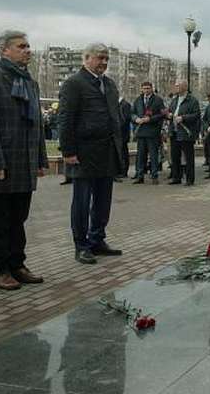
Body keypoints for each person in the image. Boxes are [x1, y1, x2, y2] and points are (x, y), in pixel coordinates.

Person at [0, 30, 49, 291]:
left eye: (28, 46)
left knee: (19, 217)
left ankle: (18, 264)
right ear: (4, 50)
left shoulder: (30, 82)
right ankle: (1, 269)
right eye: (22, 46)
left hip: (24, 163)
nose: (28, 50)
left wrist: (40, 159)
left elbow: (36, 125)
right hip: (2, 163)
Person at [59, 43, 125, 265]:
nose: (104, 63)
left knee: (103, 202)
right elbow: (66, 119)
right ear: (86, 58)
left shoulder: (109, 84)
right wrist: (68, 151)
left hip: (107, 152)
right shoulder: (74, 84)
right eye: (100, 58)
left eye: (106, 59)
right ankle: (82, 246)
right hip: (84, 154)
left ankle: (97, 240)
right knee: (82, 202)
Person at [166, 80, 200, 186]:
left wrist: (183, 118)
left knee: (188, 157)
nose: (175, 88)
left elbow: (196, 115)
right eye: (175, 86)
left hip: (186, 132)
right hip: (174, 132)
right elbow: (170, 111)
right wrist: (169, 115)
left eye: (178, 86)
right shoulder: (174, 100)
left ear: (185, 87)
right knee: (175, 156)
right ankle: (176, 177)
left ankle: (190, 179)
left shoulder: (192, 100)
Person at [131, 81, 165, 184]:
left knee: (153, 155)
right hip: (141, 132)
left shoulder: (158, 100)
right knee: (140, 155)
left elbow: (162, 114)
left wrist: (150, 119)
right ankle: (139, 175)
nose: (146, 90)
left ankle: (154, 176)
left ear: (151, 88)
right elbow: (132, 113)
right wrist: (135, 118)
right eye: (144, 88)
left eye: (148, 88)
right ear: (141, 89)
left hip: (152, 132)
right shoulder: (138, 100)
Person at [116, 97, 132, 180]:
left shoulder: (125, 105)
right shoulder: (118, 104)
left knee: (123, 152)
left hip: (122, 133)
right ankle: (120, 170)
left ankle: (123, 171)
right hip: (119, 133)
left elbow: (125, 119)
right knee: (120, 152)